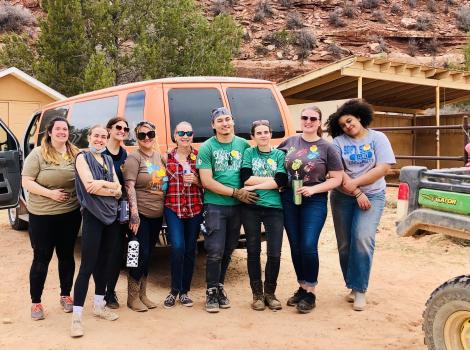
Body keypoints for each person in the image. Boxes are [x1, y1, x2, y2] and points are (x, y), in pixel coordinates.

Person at [326, 99, 396, 311]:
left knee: (363, 238)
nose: (347, 126)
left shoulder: (378, 138)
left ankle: (360, 290)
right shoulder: (338, 143)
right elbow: (338, 173)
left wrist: (356, 185)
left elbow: (383, 168)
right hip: (342, 197)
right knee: (345, 244)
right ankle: (352, 285)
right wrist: (355, 192)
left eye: (349, 121)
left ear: (359, 116)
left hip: (373, 195)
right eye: (343, 125)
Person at [278, 106, 343, 314]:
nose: (308, 121)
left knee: (308, 244)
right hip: (288, 197)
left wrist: (313, 189)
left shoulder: (327, 148)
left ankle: (311, 291)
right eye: (304, 117)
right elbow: (275, 165)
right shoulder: (289, 142)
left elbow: (337, 178)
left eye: (313, 118)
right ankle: (302, 286)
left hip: (314, 200)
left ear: (319, 122)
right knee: (296, 245)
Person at [196, 107, 258, 313]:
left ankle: (219, 286)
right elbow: (206, 181)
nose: (225, 123)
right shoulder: (207, 147)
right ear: (213, 125)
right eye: (220, 120)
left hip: (239, 208)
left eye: (228, 119)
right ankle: (211, 291)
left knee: (229, 249)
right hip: (215, 206)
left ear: (233, 121)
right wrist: (235, 192)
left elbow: (252, 174)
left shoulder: (243, 145)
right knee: (215, 250)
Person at [22, 117, 81, 321]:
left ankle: (65, 295)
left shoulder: (75, 152)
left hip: (70, 214)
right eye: (58, 129)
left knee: (66, 256)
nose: (62, 132)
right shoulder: (38, 153)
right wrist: (51, 194)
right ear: (49, 132)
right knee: (42, 258)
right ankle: (36, 302)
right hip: (43, 216)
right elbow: (27, 181)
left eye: (65, 129)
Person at [71, 125, 122, 337]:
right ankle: (76, 318)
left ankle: (99, 305)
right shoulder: (82, 157)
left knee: (106, 263)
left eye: (103, 136)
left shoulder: (108, 160)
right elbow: (88, 185)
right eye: (96, 136)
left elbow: (118, 190)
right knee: (87, 266)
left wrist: (105, 185)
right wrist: (109, 186)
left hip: (111, 217)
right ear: (89, 137)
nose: (100, 140)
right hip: (93, 216)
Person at [240, 120, 287, 311]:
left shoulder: (279, 155)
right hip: (251, 206)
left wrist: (255, 186)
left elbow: (282, 180)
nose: (263, 135)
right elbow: (245, 177)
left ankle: (270, 293)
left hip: (274, 209)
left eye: (266, 132)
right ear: (253, 136)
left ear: (270, 134)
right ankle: (257, 295)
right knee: (253, 251)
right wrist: (273, 180)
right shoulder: (249, 153)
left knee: (274, 253)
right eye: (258, 133)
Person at [124, 121, 167, 312]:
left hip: (157, 215)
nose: (147, 138)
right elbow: (129, 186)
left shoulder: (158, 156)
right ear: (137, 138)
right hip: (140, 214)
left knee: (148, 254)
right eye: (142, 135)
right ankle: (132, 297)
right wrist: (134, 215)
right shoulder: (134, 158)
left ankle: (143, 294)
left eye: (150, 133)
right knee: (137, 254)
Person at [163, 122, 203, 308]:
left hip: (195, 208)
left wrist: (195, 180)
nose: (185, 136)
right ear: (175, 135)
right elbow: (158, 182)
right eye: (181, 132)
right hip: (173, 208)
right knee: (178, 247)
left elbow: (208, 182)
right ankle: (174, 290)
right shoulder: (166, 158)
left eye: (188, 132)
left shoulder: (199, 156)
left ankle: (184, 292)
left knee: (190, 249)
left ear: (192, 135)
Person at [102, 117, 129, 309]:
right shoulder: (99, 153)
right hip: (101, 210)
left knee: (116, 252)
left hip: (120, 210)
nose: (122, 130)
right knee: (101, 252)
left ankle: (110, 292)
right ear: (109, 130)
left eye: (125, 129)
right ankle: (99, 291)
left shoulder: (124, 154)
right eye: (118, 127)